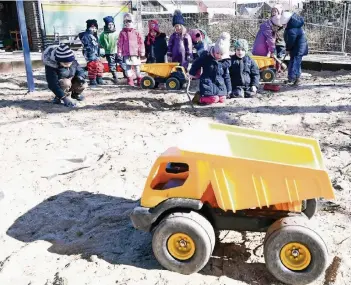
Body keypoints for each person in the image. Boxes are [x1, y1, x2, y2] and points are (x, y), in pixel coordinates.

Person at [188, 32, 232, 105]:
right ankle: (199, 98)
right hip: (207, 82)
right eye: (217, 53)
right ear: (214, 50)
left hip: (219, 83)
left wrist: (229, 89)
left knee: (222, 99)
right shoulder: (206, 57)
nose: (219, 56)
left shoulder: (224, 61)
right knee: (213, 99)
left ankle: (212, 97)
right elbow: (196, 64)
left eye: (221, 54)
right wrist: (191, 74)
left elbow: (226, 76)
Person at [273, 11, 308, 85]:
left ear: (287, 22)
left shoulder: (292, 30)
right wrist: (289, 49)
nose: (283, 26)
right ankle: (291, 78)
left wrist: (288, 49)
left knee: (296, 63)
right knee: (293, 61)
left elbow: (290, 41)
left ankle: (297, 79)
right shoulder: (292, 26)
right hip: (295, 48)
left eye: (284, 24)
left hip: (298, 49)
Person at [117, 13, 145, 87]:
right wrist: (119, 51)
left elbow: (141, 42)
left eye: (129, 21)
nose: (127, 23)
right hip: (127, 53)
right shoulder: (122, 33)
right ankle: (130, 80)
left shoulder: (136, 32)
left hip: (135, 53)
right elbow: (120, 43)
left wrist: (142, 51)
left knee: (137, 67)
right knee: (128, 67)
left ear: (133, 22)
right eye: (125, 22)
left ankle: (139, 79)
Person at [78, 19, 105, 87]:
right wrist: (90, 54)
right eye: (91, 27)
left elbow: (97, 45)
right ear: (88, 28)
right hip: (91, 54)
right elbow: (87, 46)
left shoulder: (95, 35)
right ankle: (92, 80)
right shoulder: (86, 35)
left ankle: (99, 79)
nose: (93, 29)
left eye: (95, 28)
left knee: (99, 66)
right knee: (92, 67)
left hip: (96, 54)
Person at [99, 16, 120, 84]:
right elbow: (100, 42)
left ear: (114, 25)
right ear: (106, 25)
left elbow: (121, 41)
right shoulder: (103, 34)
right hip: (109, 52)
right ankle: (115, 77)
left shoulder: (117, 33)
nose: (110, 26)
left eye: (112, 24)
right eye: (109, 24)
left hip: (118, 51)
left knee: (122, 63)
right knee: (112, 65)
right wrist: (105, 47)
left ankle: (126, 76)